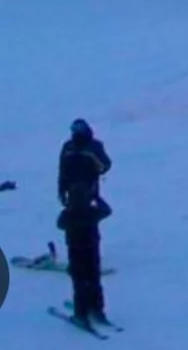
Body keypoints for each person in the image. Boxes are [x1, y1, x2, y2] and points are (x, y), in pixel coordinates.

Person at [57, 183, 112, 329]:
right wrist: (97, 198)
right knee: (94, 281)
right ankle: (97, 309)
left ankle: (81, 314)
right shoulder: (92, 211)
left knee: (80, 283)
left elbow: (60, 225)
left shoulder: (68, 214)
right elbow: (107, 210)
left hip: (76, 253)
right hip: (92, 251)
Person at [58, 119, 112, 207]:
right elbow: (62, 170)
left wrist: (96, 165)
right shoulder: (68, 147)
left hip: (89, 186)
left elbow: (106, 164)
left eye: (80, 129)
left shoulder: (95, 146)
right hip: (72, 188)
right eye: (75, 130)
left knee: (104, 211)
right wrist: (61, 192)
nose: (78, 133)